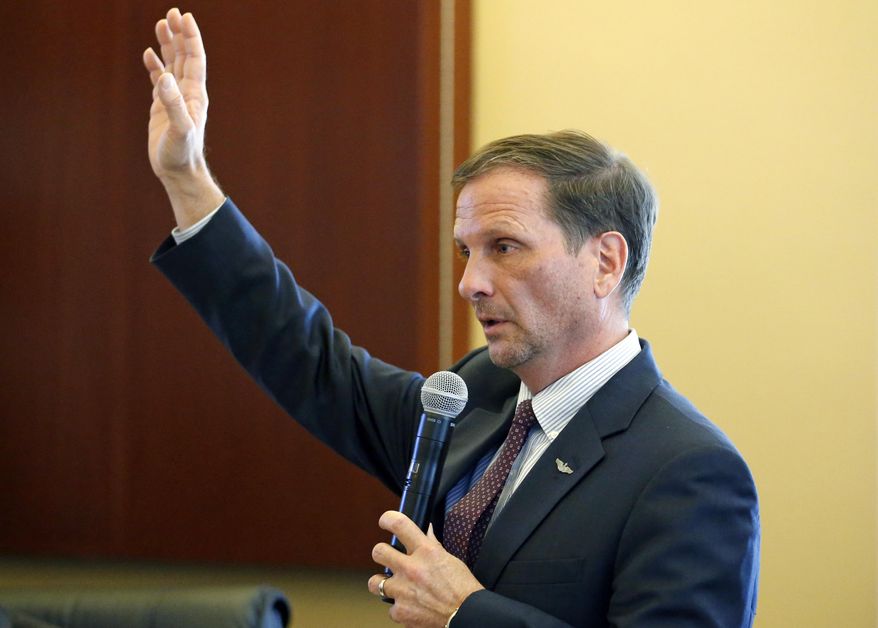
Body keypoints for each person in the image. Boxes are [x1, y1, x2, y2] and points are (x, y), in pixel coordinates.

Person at [143, 8, 760, 628]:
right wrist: (187, 177)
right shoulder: (477, 396)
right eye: (467, 251)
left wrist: (465, 613)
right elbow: (312, 364)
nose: (470, 283)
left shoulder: (689, 470)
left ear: (605, 261)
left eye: (505, 247)